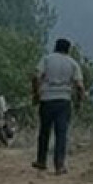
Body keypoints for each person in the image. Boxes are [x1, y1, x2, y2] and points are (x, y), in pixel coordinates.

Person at [32, 38, 85, 175]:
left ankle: (41, 161)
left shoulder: (47, 59)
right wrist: (79, 102)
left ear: (55, 47)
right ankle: (59, 165)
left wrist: (36, 94)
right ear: (68, 49)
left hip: (47, 99)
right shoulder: (73, 63)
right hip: (64, 100)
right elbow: (79, 86)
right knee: (61, 133)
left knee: (44, 132)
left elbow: (36, 76)